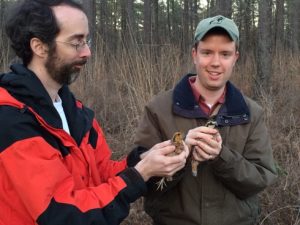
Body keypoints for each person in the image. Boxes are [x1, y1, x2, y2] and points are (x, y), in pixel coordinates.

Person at [0, 1, 189, 225]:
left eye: (86, 41)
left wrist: (145, 161)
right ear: (39, 47)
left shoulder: (77, 113)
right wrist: (139, 175)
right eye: (76, 42)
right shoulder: (12, 118)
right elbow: (61, 214)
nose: (87, 52)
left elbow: (102, 173)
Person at [132, 15, 277, 225]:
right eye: (207, 52)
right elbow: (144, 181)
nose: (216, 63)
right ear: (194, 54)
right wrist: (181, 152)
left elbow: (259, 180)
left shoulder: (251, 113)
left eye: (225, 54)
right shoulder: (158, 109)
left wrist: (221, 156)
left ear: (236, 57)